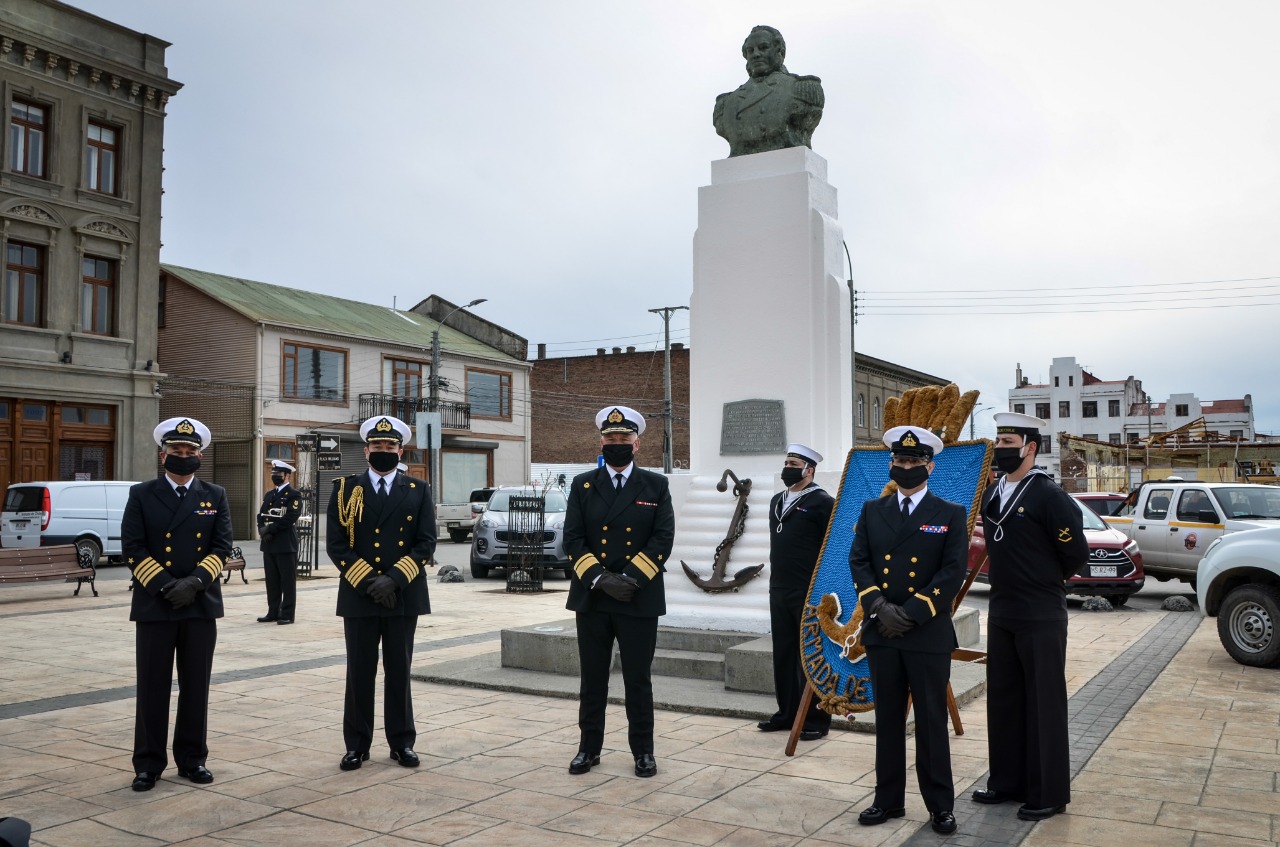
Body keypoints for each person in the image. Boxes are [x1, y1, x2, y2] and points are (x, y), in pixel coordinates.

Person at [849, 427, 968, 835]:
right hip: (882, 630)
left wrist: (913, 613)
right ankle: (887, 800)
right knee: (888, 720)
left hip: (926, 631)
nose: (906, 467)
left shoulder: (949, 513)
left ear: (929, 467)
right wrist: (879, 608)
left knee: (932, 721)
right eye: (900, 460)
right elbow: (859, 562)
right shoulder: (872, 510)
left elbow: (953, 571)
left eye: (914, 461)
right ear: (892, 464)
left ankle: (940, 806)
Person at [971, 412, 1087, 821]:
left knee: (1043, 703)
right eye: (998, 441)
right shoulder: (993, 492)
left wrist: (1040, 578)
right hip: (1002, 608)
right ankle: (1007, 782)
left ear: (1030, 447)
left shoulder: (1048, 495)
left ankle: (1048, 792)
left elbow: (1075, 554)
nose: (999, 448)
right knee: (1004, 699)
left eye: (1008, 442)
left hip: (1040, 611)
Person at [564, 406, 675, 778]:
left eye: (624, 438)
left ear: (637, 444)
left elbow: (663, 539)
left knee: (638, 680)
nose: (617, 443)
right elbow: (573, 539)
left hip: (637, 597)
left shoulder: (656, 485)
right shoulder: (583, 485)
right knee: (592, 679)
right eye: (610, 438)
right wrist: (600, 579)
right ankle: (588, 749)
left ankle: (643, 752)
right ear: (601, 442)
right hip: (593, 596)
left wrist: (628, 580)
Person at [122, 417, 232, 792]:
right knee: (152, 686)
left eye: (189, 451)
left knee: (196, 686)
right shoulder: (142, 493)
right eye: (176, 450)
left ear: (199, 456)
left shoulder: (214, 494)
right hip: (156, 602)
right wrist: (167, 585)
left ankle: (192, 759)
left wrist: (195, 583)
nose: (182, 456)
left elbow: (222, 547)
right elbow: (133, 547)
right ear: (162, 455)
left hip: (199, 604)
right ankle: (148, 763)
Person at [327, 415, 435, 772]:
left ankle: (402, 743)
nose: (383, 450)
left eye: (390, 446)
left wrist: (394, 580)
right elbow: (337, 544)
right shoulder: (345, 490)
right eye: (377, 445)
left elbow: (426, 543)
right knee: (359, 672)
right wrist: (371, 582)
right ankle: (356, 745)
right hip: (360, 595)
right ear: (366, 450)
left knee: (399, 671)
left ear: (400, 451)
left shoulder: (418, 489)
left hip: (403, 595)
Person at [758, 443, 835, 741]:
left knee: (811, 655)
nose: (787, 468)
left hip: (809, 590)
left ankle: (815, 719)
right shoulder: (777, 500)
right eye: (786, 463)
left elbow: (832, 547)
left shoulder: (822, 502)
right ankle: (786, 713)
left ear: (809, 470)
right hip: (779, 587)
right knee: (784, 653)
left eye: (794, 464)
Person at [713, 25, 825, 157]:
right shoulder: (726, 103)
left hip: (787, 161)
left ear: (780, 52)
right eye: (750, 50)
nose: (755, 54)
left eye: (763, 48)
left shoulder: (802, 89)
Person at [256, 459, 303, 624]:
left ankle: (287, 614)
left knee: (287, 582)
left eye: (279, 473)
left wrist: (270, 529)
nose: (275, 475)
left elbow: (290, 517)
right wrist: (262, 531)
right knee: (272, 581)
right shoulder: (269, 495)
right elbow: (261, 515)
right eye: (274, 473)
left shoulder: (294, 495)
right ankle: (273, 612)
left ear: (287, 476)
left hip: (285, 544)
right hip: (269, 544)